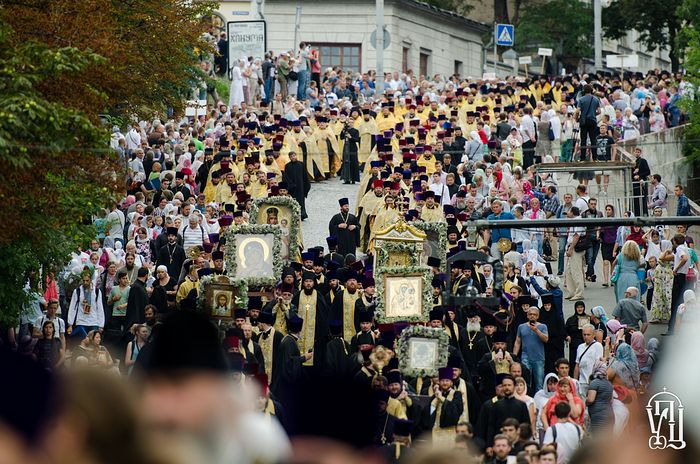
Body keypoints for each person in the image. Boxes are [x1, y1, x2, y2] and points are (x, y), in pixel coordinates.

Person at [513, 307, 548, 390]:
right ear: (527, 315)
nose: (532, 316)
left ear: (538, 316)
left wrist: (536, 330)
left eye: (535, 314)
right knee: (525, 382)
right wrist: (514, 355)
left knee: (539, 383)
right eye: (530, 314)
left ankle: (538, 401)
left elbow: (546, 339)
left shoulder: (543, 326)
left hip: (539, 358)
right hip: (525, 357)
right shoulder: (521, 326)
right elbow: (518, 342)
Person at [67, 270, 105, 339]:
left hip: (93, 321)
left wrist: (101, 324)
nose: (85, 283)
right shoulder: (78, 291)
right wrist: (70, 323)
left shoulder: (96, 291)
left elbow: (100, 308)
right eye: (84, 280)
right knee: (83, 341)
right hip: (81, 321)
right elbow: (73, 307)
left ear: (91, 280)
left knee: (93, 343)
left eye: (87, 280)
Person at [572, 324, 603, 396]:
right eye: (584, 335)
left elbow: (598, 364)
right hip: (582, 381)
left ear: (593, 335)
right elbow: (577, 365)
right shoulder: (580, 347)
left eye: (588, 335)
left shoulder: (598, 346)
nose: (586, 337)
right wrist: (575, 382)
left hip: (593, 381)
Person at [282, 151, 311, 219]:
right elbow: (286, 177)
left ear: (296, 156)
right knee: (293, 201)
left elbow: (305, 175)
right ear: (289, 157)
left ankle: (302, 214)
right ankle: (293, 214)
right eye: (291, 156)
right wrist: (290, 185)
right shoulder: (287, 166)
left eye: (294, 156)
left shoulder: (301, 164)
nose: (293, 157)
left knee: (301, 201)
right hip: (292, 188)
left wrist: (306, 185)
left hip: (300, 187)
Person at [340, 118, 360, 184]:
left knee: (353, 163)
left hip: (353, 148)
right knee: (346, 163)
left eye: (351, 122)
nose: (350, 124)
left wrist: (350, 137)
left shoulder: (356, 131)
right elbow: (341, 137)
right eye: (349, 122)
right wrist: (342, 131)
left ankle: (353, 179)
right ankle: (346, 178)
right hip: (346, 148)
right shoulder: (345, 130)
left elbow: (357, 139)